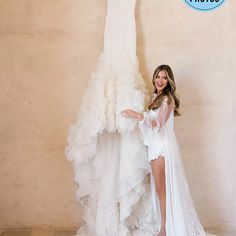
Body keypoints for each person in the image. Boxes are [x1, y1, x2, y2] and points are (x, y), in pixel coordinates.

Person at [121, 64, 207, 236]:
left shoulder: (168, 99)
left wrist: (138, 115)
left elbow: (158, 125)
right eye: (158, 77)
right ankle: (164, 225)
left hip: (162, 148)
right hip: (154, 147)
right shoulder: (156, 97)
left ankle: (165, 229)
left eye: (164, 77)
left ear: (169, 81)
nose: (160, 80)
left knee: (163, 189)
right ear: (154, 78)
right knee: (159, 189)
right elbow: (149, 127)